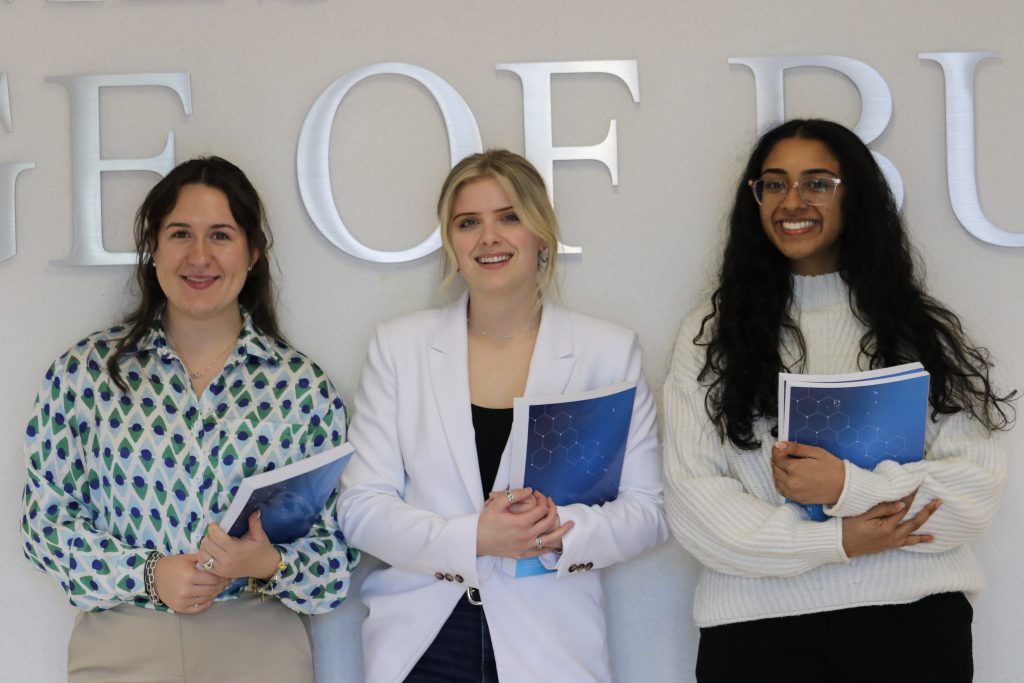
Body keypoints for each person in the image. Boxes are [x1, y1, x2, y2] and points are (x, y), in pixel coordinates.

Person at [662, 119, 1016, 682]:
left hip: (912, 628)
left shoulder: (920, 332)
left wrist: (849, 489)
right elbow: (695, 506)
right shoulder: (711, 338)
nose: (792, 201)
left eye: (817, 183)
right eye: (773, 184)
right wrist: (838, 539)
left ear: (855, 195)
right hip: (758, 636)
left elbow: (972, 495)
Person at [20, 156, 356, 682]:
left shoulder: (301, 388)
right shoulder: (84, 374)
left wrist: (265, 564)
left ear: (253, 251)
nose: (200, 256)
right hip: (121, 644)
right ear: (154, 248)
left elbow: (335, 560)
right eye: (180, 234)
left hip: (259, 646)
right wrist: (150, 573)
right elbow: (45, 529)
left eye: (221, 235)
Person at [338, 149, 667, 683]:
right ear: (452, 243)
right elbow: (360, 508)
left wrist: (557, 533)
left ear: (541, 234)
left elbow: (648, 512)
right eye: (469, 223)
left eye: (509, 217)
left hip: (550, 645)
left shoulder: (606, 353)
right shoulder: (399, 347)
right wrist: (476, 539)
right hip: (422, 642)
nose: (488, 238)